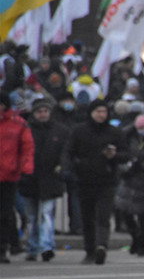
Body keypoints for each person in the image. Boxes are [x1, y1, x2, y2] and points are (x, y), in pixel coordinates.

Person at [62, 99, 125, 264]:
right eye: (98, 111)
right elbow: (69, 152)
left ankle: (101, 246)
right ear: (91, 113)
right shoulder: (79, 131)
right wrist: (70, 168)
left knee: (103, 216)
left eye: (104, 112)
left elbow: (126, 154)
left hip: (107, 180)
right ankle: (89, 250)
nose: (101, 115)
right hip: (84, 180)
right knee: (87, 218)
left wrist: (114, 156)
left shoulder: (114, 132)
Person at [19, 99, 67, 262]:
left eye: (46, 111)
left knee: (47, 214)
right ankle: (32, 247)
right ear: (34, 114)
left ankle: (46, 246)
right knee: (32, 217)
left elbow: (65, 153)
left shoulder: (59, 131)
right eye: (40, 112)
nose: (43, 114)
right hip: (29, 178)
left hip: (50, 178)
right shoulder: (26, 130)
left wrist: (61, 167)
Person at [115, 114, 144, 256]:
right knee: (125, 212)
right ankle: (135, 237)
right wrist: (127, 169)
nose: (143, 131)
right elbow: (121, 157)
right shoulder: (128, 139)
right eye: (140, 128)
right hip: (129, 181)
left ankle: (143, 244)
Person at [0, 91, 34, 263]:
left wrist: (26, 168)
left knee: (6, 213)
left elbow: (27, 148)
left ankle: (4, 247)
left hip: (10, 175)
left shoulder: (18, 124)